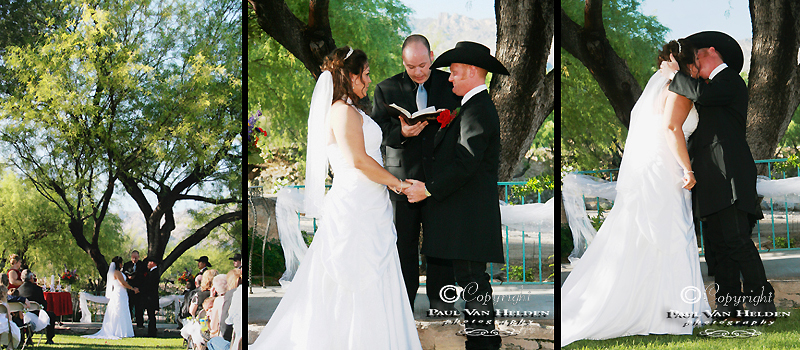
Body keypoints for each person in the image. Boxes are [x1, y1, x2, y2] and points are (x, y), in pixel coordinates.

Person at [252, 46, 421, 349]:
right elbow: (358, 160)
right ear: (351, 75)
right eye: (365, 74)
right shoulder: (342, 111)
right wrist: (398, 184)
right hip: (354, 205)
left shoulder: (353, 110)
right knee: (352, 274)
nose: (369, 81)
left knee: (375, 270)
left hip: (369, 202)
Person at [561, 39, 712, 346]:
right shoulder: (678, 88)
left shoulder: (661, 86)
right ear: (684, 63)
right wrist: (688, 169)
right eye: (695, 61)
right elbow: (671, 130)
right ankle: (667, 311)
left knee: (651, 234)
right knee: (670, 234)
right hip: (668, 169)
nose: (698, 67)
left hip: (654, 167)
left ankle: (659, 307)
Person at [660, 31, 776, 324]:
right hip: (710, 179)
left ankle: (762, 305)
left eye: (697, 54)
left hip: (730, 176)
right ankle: (729, 308)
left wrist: (676, 76)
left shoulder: (730, 82)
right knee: (718, 247)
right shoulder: (703, 87)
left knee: (737, 240)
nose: (694, 60)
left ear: (712, 51)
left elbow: (703, 96)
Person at [403, 41, 509, 350]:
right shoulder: (473, 107)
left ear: (473, 72)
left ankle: (484, 344)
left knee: (474, 281)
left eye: (455, 72)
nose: (449, 78)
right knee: (471, 280)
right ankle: (483, 342)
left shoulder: (478, 111)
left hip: (470, 218)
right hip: (466, 217)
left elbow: (466, 165)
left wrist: (428, 189)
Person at [371, 34, 461, 311]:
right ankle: (403, 304)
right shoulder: (386, 89)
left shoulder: (450, 85)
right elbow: (377, 133)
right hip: (402, 182)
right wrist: (402, 132)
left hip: (438, 180)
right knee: (403, 246)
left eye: (423, 65)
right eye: (411, 67)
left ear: (432, 57)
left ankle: (441, 302)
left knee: (440, 245)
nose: (418, 72)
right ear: (403, 62)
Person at [84, 256, 138, 339]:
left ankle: (122, 330)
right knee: (119, 310)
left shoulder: (117, 272)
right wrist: (132, 288)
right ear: (119, 264)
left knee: (122, 309)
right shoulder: (117, 273)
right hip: (119, 293)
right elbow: (122, 283)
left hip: (121, 293)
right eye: (121, 263)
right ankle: (119, 331)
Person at [17, 270, 54, 344]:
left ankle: (26, 338)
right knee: (51, 315)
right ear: (31, 277)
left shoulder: (19, 290)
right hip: (37, 315)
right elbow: (44, 304)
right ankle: (49, 338)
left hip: (23, 317)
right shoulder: (37, 289)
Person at [123, 250, 146, 328]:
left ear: (138, 257)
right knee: (129, 307)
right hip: (130, 290)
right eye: (133, 258)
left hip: (139, 290)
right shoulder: (127, 265)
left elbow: (144, 278)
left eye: (136, 258)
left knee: (139, 308)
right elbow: (123, 276)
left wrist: (139, 288)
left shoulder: (142, 265)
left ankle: (140, 323)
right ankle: (128, 323)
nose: (134, 259)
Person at [141, 257, 160, 337]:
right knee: (150, 315)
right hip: (150, 297)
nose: (148, 264)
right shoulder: (151, 272)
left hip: (151, 297)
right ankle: (151, 330)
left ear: (153, 263)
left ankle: (152, 332)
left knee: (151, 315)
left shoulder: (154, 273)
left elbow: (150, 285)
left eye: (149, 262)